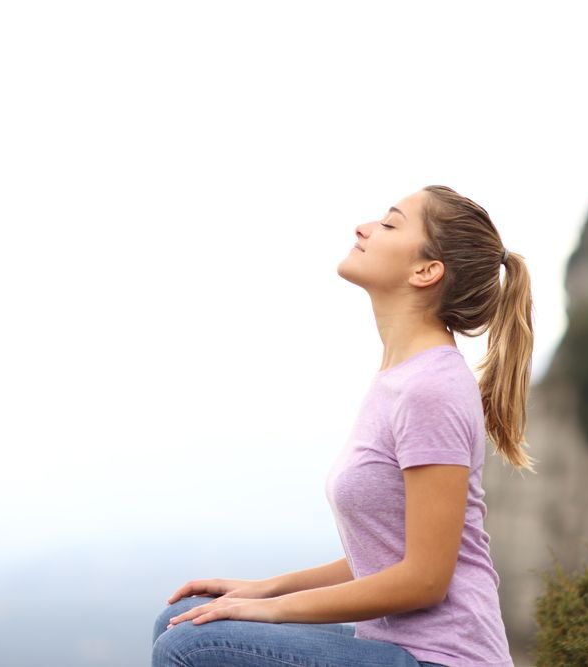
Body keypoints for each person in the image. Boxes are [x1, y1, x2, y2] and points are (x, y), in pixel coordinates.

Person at [152, 185, 536, 667]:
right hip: (392, 647)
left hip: (441, 659)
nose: (364, 228)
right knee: (186, 616)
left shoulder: (431, 389)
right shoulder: (399, 377)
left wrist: (267, 610)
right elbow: (383, 554)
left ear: (426, 271)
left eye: (390, 224)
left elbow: (425, 579)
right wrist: (263, 588)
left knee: (192, 645)